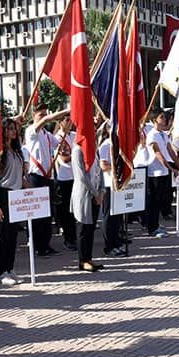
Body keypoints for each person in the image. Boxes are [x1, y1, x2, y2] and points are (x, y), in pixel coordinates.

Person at [24, 105, 68, 257]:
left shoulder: (46, 134)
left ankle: (46, 243)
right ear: (34, 115)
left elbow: (58, 144)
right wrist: (66, 111)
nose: (43, 116)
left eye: (44, 113)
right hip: (36, 176)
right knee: (37, 213)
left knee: (47, 213)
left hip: (47, 176)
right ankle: (37, 245)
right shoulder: (31, 131)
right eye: (40, 114)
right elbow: (47, 120)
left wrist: (63, 144)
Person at [0, 118, 28, 286]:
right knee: (3, 235)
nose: (13, 131)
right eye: (10, 128)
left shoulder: (17, 151)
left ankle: (10, 267)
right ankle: (1, 271)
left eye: (14, 129)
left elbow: (21, 177)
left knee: (13, 235)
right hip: (4, 194)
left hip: (17, 195)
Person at [145, 109, 179, 238]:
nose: (165, 119)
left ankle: (155, 224)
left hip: (163, 171)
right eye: (161, 117)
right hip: (154, 172)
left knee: (160, 199)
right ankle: (152, 228)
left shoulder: (164, 134)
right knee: (154, 201)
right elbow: (158, 154)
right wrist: (171, 169)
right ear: (154, 120)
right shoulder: (152, 135)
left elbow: (170, 151)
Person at [71, 140, 104, 272]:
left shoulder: (93, 149)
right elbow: (81, 176)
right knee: (83, 228)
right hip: (84, 194)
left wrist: (101, 190)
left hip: (95, 194)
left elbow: (99, 170)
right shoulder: (77, 150)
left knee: (91, 228)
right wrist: (95, 193)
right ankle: (82, 260)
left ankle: (89, 258)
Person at [98, 131, 126, 257]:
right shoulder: (105, 145)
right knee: (108, 216)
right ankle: (109, 246)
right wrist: (118, 167)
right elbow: (103, 165)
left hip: (119, 183)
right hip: (109, 183)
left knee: (117, 216)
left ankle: (117, 241)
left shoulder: (120, 144)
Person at [52, 115, 77, 251]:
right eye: (66, 120)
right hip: (64, 177)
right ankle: (68, 238)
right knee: (66, 211)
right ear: (60, 122)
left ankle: (74, 236)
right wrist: (76, 154)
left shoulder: (74, 135)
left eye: (70, 120)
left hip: (75, 176)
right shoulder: (58, 138)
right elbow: (64, 158)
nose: (69, 122)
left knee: (74, 210)